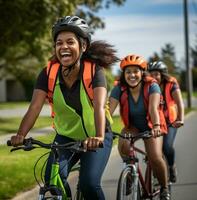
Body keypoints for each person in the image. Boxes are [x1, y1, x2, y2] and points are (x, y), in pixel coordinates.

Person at [10, 15, 119, 200]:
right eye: (59, 43)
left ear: (83, 46)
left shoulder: (94, 72)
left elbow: (99, 106)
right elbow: (35, 107)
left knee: (89, 184)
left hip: (97, 135)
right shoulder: (48, 73)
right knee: (52, 181)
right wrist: (21, 134)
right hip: (66, 136)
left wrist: (99, 136)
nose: (64, 47)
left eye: (70, 42)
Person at [109, 54, 170, 200]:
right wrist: (103, 126)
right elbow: (108, 110)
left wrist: (156, 126)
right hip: (133, 126)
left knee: (155, 157)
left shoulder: (152, 86)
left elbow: (153, 109)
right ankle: (130, 176)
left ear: (142, 72)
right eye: (128, 72)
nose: (132, 75)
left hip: (152, 125)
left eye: (135, 71)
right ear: (124, 74)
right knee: (123, 145)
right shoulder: (119, 88)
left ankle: (164, 188)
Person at [148, 61, 184, 183]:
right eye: (151, 74)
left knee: (167, 147)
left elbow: (179, 103)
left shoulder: (171, 84)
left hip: (170, 122)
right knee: (153, 150)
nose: (153, 77)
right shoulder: (148, 86)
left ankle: (171, 166)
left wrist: (181, 118)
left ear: (162, 74)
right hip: (155, 122)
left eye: (156, 74)